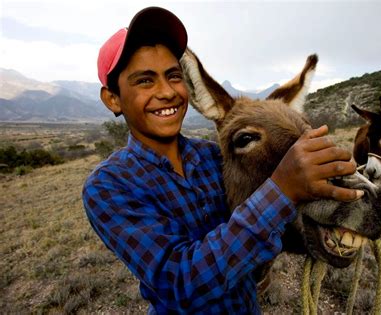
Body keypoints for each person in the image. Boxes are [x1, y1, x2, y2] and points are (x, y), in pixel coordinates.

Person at [83, 6, 363, 314]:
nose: (166, 92)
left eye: (173, 76)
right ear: (112, 98)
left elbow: (266, 214)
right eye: (145, 81)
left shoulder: (212, 157)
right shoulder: (108, 186)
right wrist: (283, 189)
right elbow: (179, 282)